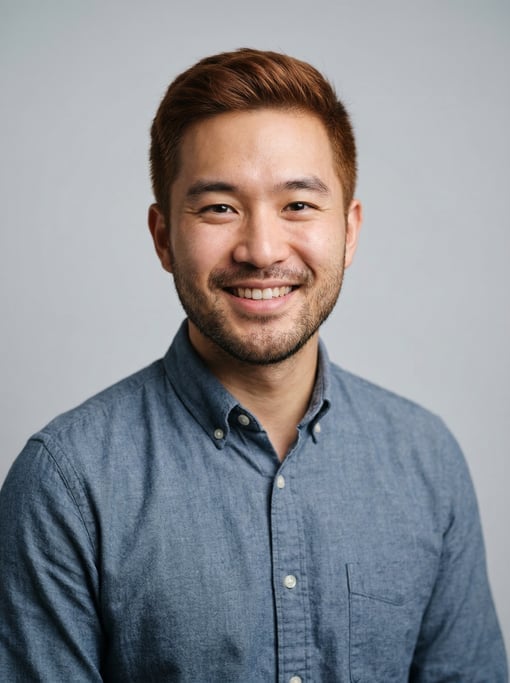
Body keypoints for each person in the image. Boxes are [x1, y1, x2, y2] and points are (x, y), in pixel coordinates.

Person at [0, 48, 506, 682]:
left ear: (348, 232)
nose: (262, 250)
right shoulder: (65, 484)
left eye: (298, 205)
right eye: (219, 207)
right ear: (163, 237)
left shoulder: (426, 461)